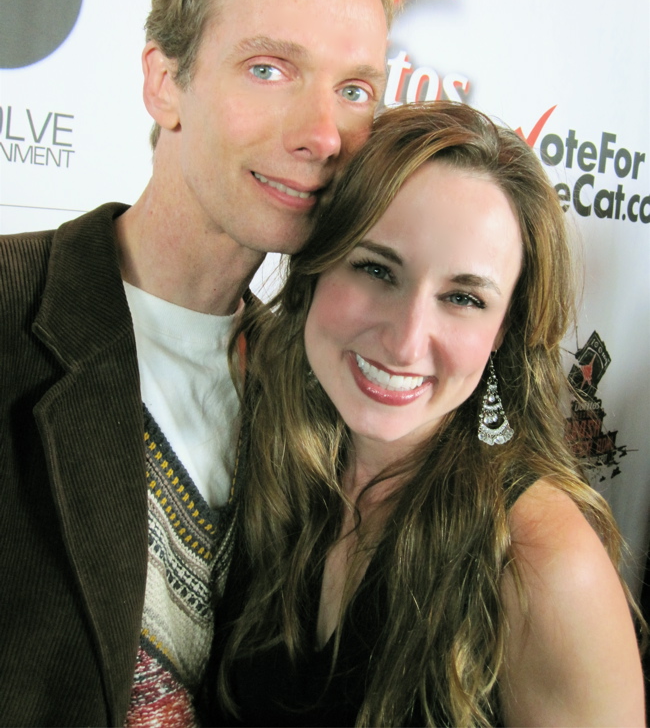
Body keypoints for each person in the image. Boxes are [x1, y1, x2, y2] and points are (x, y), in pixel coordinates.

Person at [0, 0, 396, 727]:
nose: (323, 133)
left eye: (356, 88)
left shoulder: (325, 389)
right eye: (269, 69)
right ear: (164, 81)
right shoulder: (9, 311)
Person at [208, 101, 646, 727]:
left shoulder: (545, 564)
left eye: (464, 297)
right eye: (376, 269)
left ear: (504, 329)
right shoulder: (260, 454)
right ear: (316, 267)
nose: (408, 340)